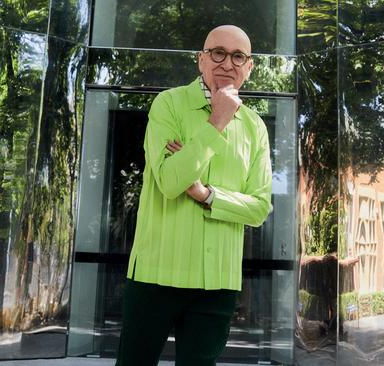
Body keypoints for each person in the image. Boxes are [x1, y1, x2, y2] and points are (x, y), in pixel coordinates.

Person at [116, 25, 273, 366]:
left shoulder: (255, 127)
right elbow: (172, 182)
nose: (227, 63)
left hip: (217, 282)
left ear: (249, 67)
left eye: (238, 56)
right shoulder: (168, 105)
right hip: (155, 274)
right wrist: (217, 120)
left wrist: (205, 194)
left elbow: (259, 208)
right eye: (217, 52)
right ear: (201, 60)